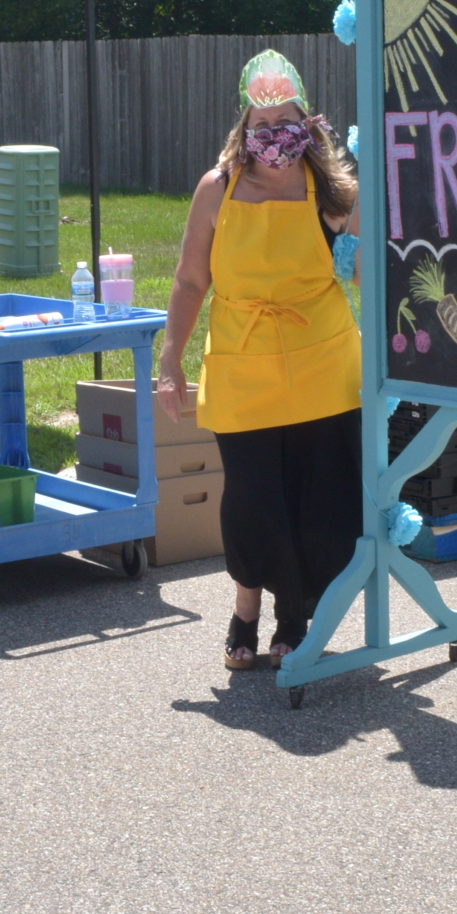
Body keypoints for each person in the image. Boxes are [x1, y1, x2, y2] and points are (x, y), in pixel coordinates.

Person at [158, 51, 362, 672]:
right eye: (262, 119)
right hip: (243, 367)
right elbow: (192, 280)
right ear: (244, 125)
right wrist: (171, 358)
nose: (274, 132)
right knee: (252, 499)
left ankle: (295, 617)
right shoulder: (216, 187)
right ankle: (246, 608)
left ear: (309, 122)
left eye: (286, 118)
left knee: (318, 500)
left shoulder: (330, 190)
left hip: (324, 368)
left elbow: (374, 266)